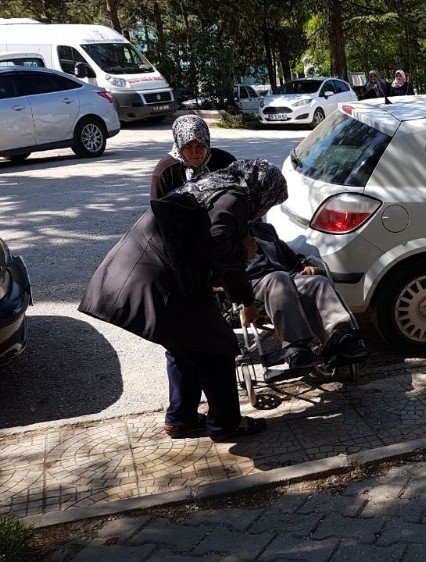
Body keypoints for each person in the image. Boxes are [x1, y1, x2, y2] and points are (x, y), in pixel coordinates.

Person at [79, 160, 288, 441]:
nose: (265, 210)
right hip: (160, 278)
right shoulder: (236, 198)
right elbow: (216, 244)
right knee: (218, 348)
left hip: (141, 271)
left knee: (185, 348)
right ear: (264, 190)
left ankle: (181, 419)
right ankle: (226, 424)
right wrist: (243, 250)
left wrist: (244, 299)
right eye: (270, 202)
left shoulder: (214, 187)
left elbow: (214, 251)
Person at [246, 221, 367, 377]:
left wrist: (303, 265)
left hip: (287, 278)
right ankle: (296, 348)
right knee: (279, 278)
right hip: (254, 285)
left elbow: (290, 257)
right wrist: (243, 301)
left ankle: (341, 336)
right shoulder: (225, 234)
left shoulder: (264, 229)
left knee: (318, 282)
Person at [151, 115, 236, 200]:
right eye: (188, 146)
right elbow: (157, 208)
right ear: (179, 146)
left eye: (200, 145)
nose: (195, 152)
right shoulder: (166, 170)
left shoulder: (225, 161)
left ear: (207, 143)